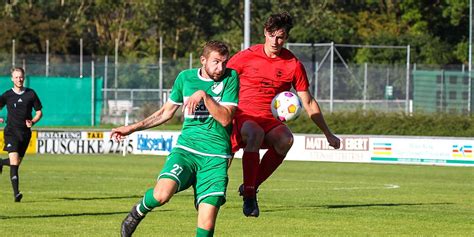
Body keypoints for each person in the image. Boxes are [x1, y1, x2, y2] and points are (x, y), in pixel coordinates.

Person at [112, 40, 239, 237]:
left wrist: (205, 96)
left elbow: (226, 118)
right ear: (203, 60)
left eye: (224, 62)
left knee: (206, 223)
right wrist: (132, 128)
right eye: (215, 62)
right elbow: (165, 113)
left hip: (216, 158)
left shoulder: (231, 78)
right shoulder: (185, 78)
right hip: (186, 151)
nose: (220, 68)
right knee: (162, 194)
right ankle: (137, 213)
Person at [227, 12, 341, 217]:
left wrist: (328, 133)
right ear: (265, 33)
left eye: (280, 36)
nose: (275, 41)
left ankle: (250, 189)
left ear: (286, 37)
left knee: (286, 139)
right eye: (272, 35)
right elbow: (220, 79)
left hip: (270, 120)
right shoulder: (245, 57)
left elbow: (308, 101)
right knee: (254, 134)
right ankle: (245, 195)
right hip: (244, 116)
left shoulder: (293, 64)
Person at [0, 67, 43, 202]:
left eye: (21, 77)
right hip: (11, 132)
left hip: (25, 134)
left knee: (16, 162)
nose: (19, 79)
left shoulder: (31, 94)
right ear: (12, 79)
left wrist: (33, 121)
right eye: (16, 77)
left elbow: (39, 112)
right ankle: (16, 193)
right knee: (14, 161)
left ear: (24, 77)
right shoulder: (7, 95)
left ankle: (0, 163)